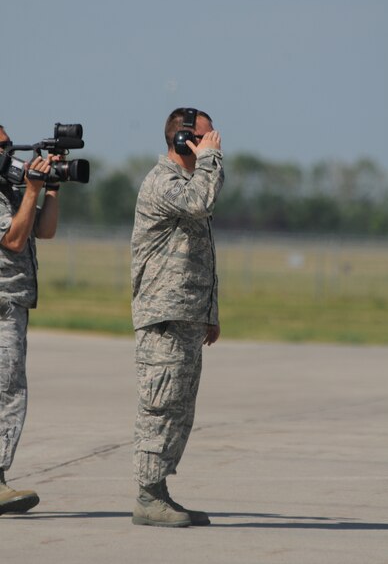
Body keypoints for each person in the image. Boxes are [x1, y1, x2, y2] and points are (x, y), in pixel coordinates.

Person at [130, 107, 224, 527]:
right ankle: (147, 497)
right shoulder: (164, 182)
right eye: (204, 137)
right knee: (160, 405)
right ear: (183, 139)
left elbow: (201, 254)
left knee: (180, 411)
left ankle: (160, 490)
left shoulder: (189, 181)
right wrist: (210, 159)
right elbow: (201, 203)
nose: (213, 142)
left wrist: (209, 313)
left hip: (186, 314)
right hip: (164, 316)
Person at [0, 124, 61, 515]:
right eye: (2, 147)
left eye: (8, 145)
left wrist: (51, 187)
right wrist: (33, 190)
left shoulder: (13, 188)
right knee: (7, 392)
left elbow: (45, 230)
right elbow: (13, 240)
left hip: (13, 302)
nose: (9, 151)